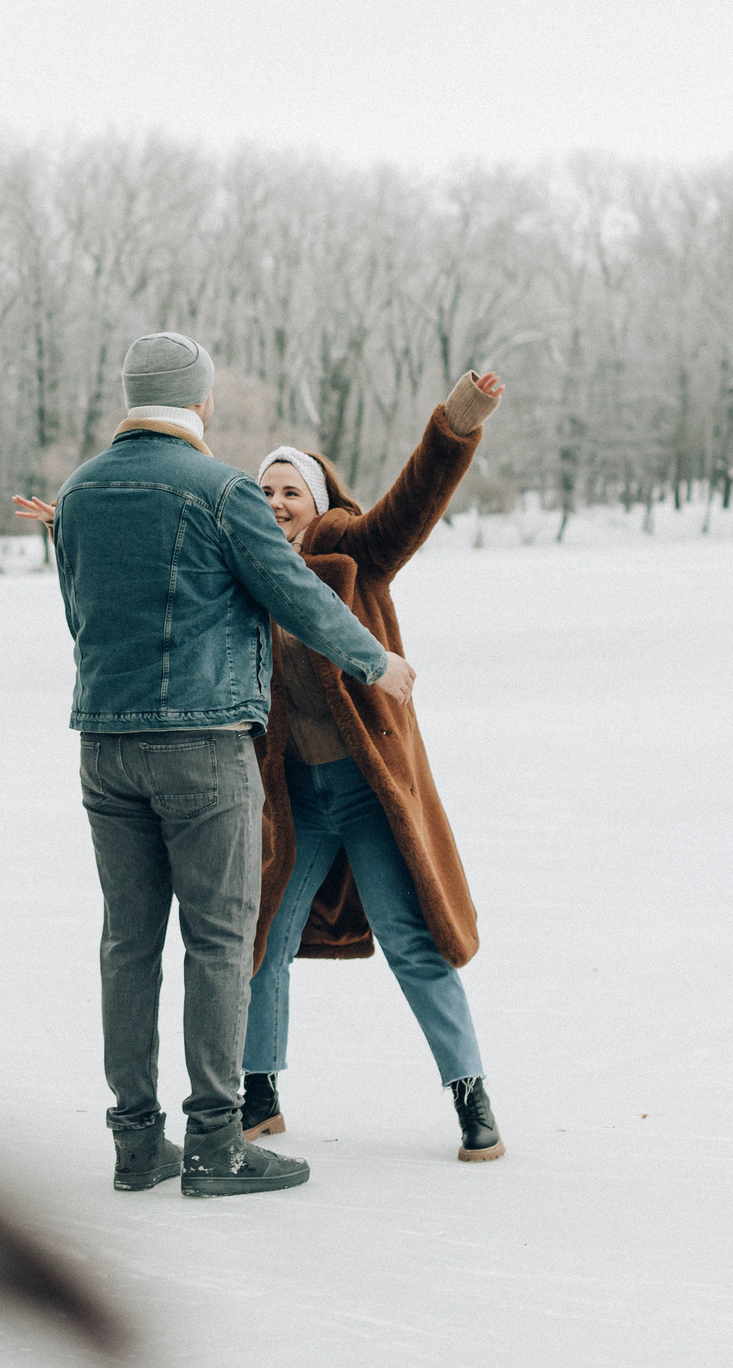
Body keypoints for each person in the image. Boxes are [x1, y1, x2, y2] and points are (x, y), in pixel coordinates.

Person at [28, 331, 416, 1199]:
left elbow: (76, 617)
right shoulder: (222, 491)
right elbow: (298, 593)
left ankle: (136, 1143)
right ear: (200, 403)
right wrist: (374, 663)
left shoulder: (79, 495)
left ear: (134, 398)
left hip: (105, 747)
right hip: (204, 751)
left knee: (127, 943)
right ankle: (214, 1142)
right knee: (217, 940)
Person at [241, 369, 507, 1161]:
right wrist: (74, 528)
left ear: (320, 502)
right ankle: (258, 1094)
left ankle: (471, 1096)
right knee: (262, 937)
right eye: (266, 491)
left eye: (291, 490)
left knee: (410, 938)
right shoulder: (246, 571)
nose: (277, 503)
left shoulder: (350, 551)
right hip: (296, 800)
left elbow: (412, 501)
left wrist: (457, 422)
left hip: (367, 793)